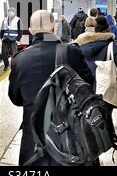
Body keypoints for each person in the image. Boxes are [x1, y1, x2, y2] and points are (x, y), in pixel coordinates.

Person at [8, 10, 94, 166]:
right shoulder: (72, 53)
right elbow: (89, 87)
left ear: (31, 30)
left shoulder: (19, 60)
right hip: (70, 140)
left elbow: (16, 99)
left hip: (33, 142)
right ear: (54, 28)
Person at [75, 16, 117, 92]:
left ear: (95, 30)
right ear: (108, 29)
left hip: (87, 89)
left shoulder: (81, 46)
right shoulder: (112, 46)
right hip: (106, 90)